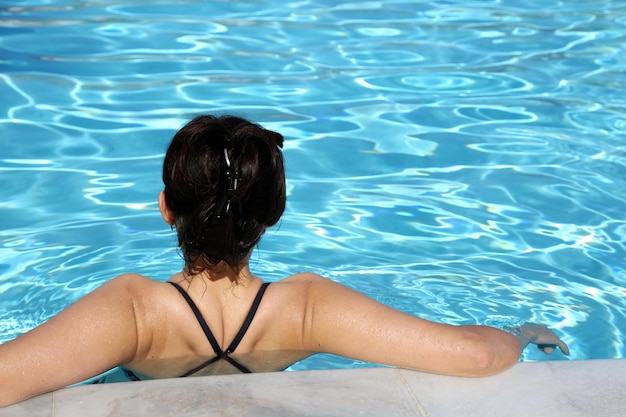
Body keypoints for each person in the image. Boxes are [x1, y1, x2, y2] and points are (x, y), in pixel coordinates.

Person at [0, 114, 569, 407]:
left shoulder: (132, 312)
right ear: (272, 215)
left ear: (166, 209)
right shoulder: (305, 309)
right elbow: (473, 354)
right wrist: (519, 331)